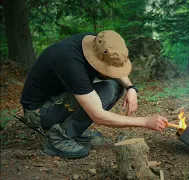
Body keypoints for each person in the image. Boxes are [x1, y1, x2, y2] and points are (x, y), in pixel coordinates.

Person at [19, 30, 169, 159]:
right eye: (108, 69)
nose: (111, 74)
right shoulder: (71, 62)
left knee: (117, 85)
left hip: (57, 98)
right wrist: (145, 122)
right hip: (40, 112)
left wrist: (131, 87)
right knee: (108, 89)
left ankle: (73, 129)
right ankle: (59, 137)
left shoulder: (96, 43)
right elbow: (99, 116)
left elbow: (114, 67)